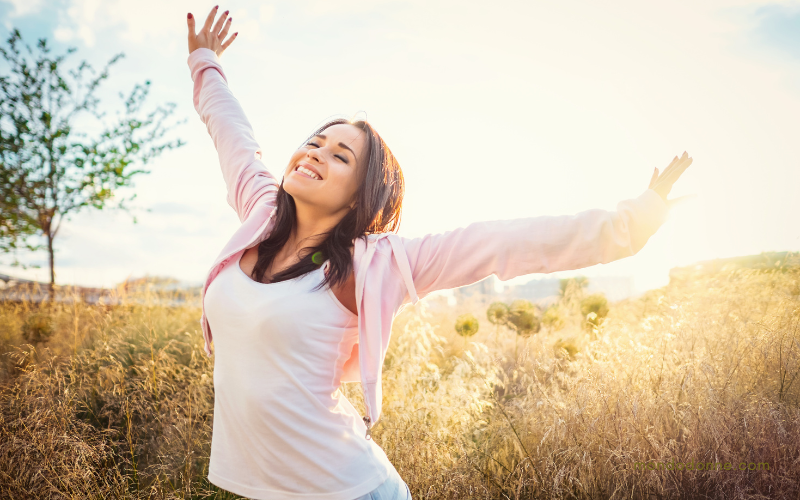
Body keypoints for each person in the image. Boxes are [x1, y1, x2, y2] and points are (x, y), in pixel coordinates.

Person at [186, 6, 692, 500]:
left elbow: (500, 243)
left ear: (361, 196)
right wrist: (205, 62)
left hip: (353, 489)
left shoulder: (376, 265)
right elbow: (233, 136)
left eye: (340, 155)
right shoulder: (260, 214)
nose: (315, 152)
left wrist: (629, 224)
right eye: (315, 142)